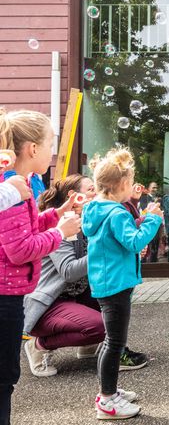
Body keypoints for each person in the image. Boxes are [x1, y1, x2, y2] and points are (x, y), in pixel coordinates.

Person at [0, 109, 81, 425]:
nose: (53, 151)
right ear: (32, 149)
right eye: (50, 144)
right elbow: (20, 250)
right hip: (4, 301)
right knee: (4, 378)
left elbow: (25, 228)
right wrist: (61, 232)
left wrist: (55, 214)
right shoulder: (15, 188)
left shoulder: (20, 184)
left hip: (9, 297)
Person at [23, 175, 148, 378]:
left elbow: (115, 245)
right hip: (49, 304)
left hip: (77, 294)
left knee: (117, 298)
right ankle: (38, 345)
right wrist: (105, 251)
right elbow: (69, 271)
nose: (97, 194)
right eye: (91, 190)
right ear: (74, 196)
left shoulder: (89, 221)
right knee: (100, 326)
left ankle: (92, 346)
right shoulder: (59, 226)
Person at [82, 148, 163, 420]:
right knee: (115, 342)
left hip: (108, 282)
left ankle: (111, 391)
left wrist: (139, 220)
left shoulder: (98, 209)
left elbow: (119, 241)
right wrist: (152, 219)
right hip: (115, 285)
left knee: (110, 340)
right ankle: (107, 400)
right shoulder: (116, 213)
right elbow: (134, 242)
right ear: (124, 185)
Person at [139, 182, 161, 263]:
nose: (155, 189)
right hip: (147, 224)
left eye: (156, 188)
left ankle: (153, 262)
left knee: (155, 244)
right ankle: (145, 263)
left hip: (157, 225)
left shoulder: (159, 199)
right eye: (153, 187)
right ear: (148, 189)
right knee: (147, 244)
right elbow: (145, 209)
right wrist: (154, 203)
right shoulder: (144, 198)